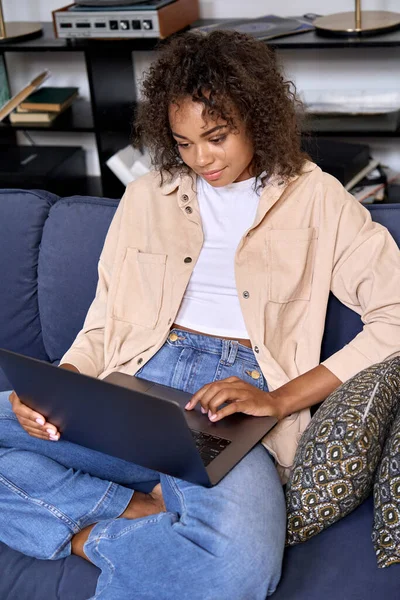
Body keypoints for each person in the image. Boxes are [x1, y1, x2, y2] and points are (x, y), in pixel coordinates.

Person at [0, 30, 399, 600]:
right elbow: (104, 316)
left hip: (230, 404)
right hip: (130, 385)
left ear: (258, 117)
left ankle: (94, 537)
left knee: (238, 567)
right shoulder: (145, 198)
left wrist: (280, 400)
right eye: (184, 143)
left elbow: (396, 313)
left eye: (216, 137)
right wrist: (63, 389)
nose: (201, 159)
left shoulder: (320, 200)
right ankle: (134, 510)